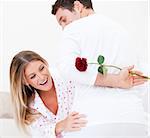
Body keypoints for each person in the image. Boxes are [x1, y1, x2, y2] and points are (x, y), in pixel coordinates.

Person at [51, 0, 147, 88]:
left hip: (95, 104)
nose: (64, 27)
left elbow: (67, 68)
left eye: (64, 20)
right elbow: (139, 73)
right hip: (132, 103)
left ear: (77, 6)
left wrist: (115, 80)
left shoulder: (72, 29)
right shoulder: (120, 28)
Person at [9, 50, 87, 138]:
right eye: (33, 76)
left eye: (42, 68)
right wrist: (62, 125)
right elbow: (40, 134)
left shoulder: (65, 76)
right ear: (25, 81)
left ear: (45, 63)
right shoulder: (30, 106)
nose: (42, 77)